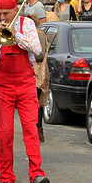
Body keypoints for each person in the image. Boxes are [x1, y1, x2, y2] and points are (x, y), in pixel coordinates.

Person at [0, 0, 50, 183]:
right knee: (4, 133)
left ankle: (36, 174)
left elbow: (37, 49)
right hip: (2, 84)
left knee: (31, 129)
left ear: (16, 10)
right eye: (0, 13)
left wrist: (16, 35)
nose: (3, 17)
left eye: (6, 13)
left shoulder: (27, 24)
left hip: (25, 83)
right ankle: (6, 177)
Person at [31, 15, 49, 143]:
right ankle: (36, 130)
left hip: (37, 73)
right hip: (34, 73)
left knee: (36, 103)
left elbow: (40, 55)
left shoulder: (37, 34)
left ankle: (38, 131)